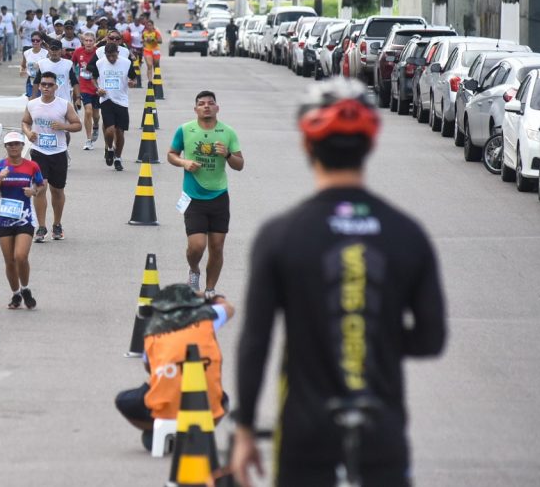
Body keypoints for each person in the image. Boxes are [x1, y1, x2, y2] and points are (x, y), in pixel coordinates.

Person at [231, 79, 447, 487]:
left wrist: (245, 429)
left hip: (305, 433)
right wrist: (367, 328)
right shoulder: (406, 233)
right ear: (371, 146)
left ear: (306, 146)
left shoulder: (281, 234)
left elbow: (255, 343)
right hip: (381, 430)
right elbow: (431, 339)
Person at [115, 285, 234, 448]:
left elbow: (150, 369)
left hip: (165, 410)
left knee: (124, 399)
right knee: (224, 398)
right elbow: (228, 307)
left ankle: (160, 428)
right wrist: (209, 297)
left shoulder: (152, 334)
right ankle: (191, 430)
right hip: (208, 409)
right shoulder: (207, 320)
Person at [167, 91, 244, 294]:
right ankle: (194, 270)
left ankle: (210, 289)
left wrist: (227, 154)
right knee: (197, 246)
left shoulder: (228, 132)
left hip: (219, 196)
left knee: (217, 247)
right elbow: (171, 155)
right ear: (196, 109)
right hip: (193, 196)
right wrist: (184, 162)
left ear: (217, 108)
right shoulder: (185, 130)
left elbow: (240, 165)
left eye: (210, 103)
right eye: (201, 104)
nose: (206, 106)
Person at [21, 71, 82, 242]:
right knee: (41, 187)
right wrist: (28, 133)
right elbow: (25, 121)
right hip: (39, 152)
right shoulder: (32, 104)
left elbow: (78, 125)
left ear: (56, 87)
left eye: (50, 85)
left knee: (57, 190)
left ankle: (57, 224)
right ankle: (41, 227)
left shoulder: (64, 105)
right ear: (39, 86)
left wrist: (63, 126)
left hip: (58, 152)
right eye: (43, 84)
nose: (46, 87)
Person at [0, 132, 45, 309]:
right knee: (9, 261)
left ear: (22, 146)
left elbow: (41, 185)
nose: (13, 147)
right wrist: (0, 179)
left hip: (25, 218)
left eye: (17, 144)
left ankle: (25, 288)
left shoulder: (32, 166)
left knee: (20, 256)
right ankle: (15, 294)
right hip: (4, 219)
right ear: (5, 147)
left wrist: (34, 191)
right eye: (10, 144)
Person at [89, 43, 137, 171]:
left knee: (120, 132)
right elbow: (93, 78)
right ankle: (110, 148)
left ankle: (118, 158)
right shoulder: (100, 63)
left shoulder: (126, 63)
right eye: (109, 56)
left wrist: (132, 83)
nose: (111, 58)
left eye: (114, 55)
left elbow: (133, 78)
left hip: (122, 101)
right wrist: (98, 88)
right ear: (105, 54)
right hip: (106, 99)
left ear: (118, 53)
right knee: (109, 130)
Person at [71, 33, 102, 150]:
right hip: (84, 87)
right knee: (88, 111)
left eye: (91, 40)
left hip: (97, 87)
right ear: (83, 42)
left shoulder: (99, 52)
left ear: (94, 41)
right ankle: (89, 140)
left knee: (96, 115)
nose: (88, 43)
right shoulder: (78, 52)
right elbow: (72, 65)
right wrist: (73, 79)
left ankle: (96, 126)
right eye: (86, 40)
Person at [35, 39, 79, 106]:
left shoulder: (68, 64)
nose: (54, 52)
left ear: (61, 50)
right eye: (52, 49)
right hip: (47, 102)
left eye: (56, 49)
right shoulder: (42, 64)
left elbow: (74, 82)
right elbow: (36, 82)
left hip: (64, 101)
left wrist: (78, 98)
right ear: (49, 50)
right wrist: (33, 99)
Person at [20, 33, 48, 98]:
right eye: (33, 40)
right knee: (31, 101)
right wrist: (21, 71)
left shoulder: (46, 53)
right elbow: (23, 65)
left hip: (43, 81)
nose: (35, 42)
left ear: (41, 41)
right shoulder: (26, 53)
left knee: (42, 102)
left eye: (37, 40)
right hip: (31, 80)